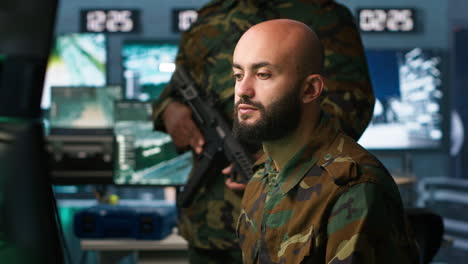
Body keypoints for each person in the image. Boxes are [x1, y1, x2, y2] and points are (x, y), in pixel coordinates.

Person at [152, 1, 374, 263]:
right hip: (209, 226)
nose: (243, 89)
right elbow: (177, 84)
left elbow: (350, 105)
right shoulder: (211, 15)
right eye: (238, 76)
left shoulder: (322, 14)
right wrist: (169, 109)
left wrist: (274, 162)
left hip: (294, 221)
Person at [233, 19, 418, 264]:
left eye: (263, 75)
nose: (243, 89)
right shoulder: (261, 178)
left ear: (310, 89)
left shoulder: (354, 188)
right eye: (238, 74)